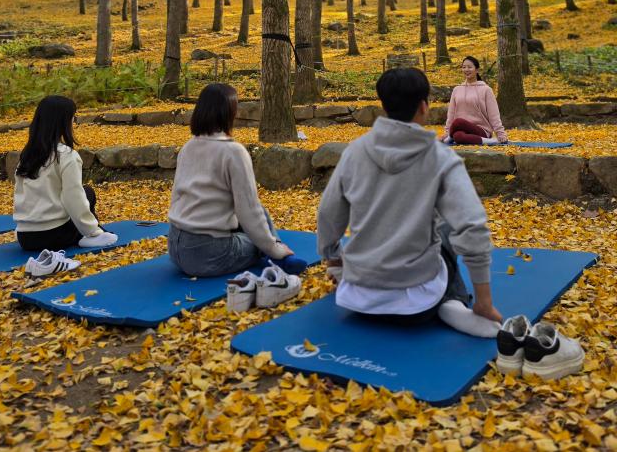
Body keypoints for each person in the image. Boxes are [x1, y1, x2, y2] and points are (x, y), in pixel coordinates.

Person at [317, 67, 502, 338]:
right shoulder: (441, 158)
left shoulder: (354, 152)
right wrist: (484, 303)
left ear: (384, 105)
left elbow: (328, 213)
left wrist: (333, 259)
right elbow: (472, 226)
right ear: (424, 107)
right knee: (446, 228)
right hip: (419, 306)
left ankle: (442, 300)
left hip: (358, 299)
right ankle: (454, 301)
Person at [168, 83, 306, 278]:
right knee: (258, 240)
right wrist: (271, 247)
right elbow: (248, 209)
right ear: (229, 113)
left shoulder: (187, 148)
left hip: (175, 247)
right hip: (207, 254)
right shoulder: (233, 152)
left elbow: (177, 197)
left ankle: (274, 248)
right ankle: (278, 255)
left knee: (261, 215)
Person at [14, 96, 117, 252]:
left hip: (25, 238)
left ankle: (86, 232)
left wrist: (24, 226)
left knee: (86, 192)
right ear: (63, 122)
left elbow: (21, 195)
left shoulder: (27, 155)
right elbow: (72, 196)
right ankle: (87, 235)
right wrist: (93, 231)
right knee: (87, 193)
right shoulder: (67, 155)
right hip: (54, 235)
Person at [443, 56, 509, 146]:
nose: (466, 69)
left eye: (470, 67)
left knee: (458, 122)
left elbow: (493, 114)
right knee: (458, 137)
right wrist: (447, 131)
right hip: (461, 129)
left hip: (481, 130)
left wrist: (500, 133)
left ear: (477, 70)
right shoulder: (457, 90)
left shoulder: (486, 90)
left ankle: (450, 137)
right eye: (464, 67)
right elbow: (451, 114)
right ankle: (492, 141)